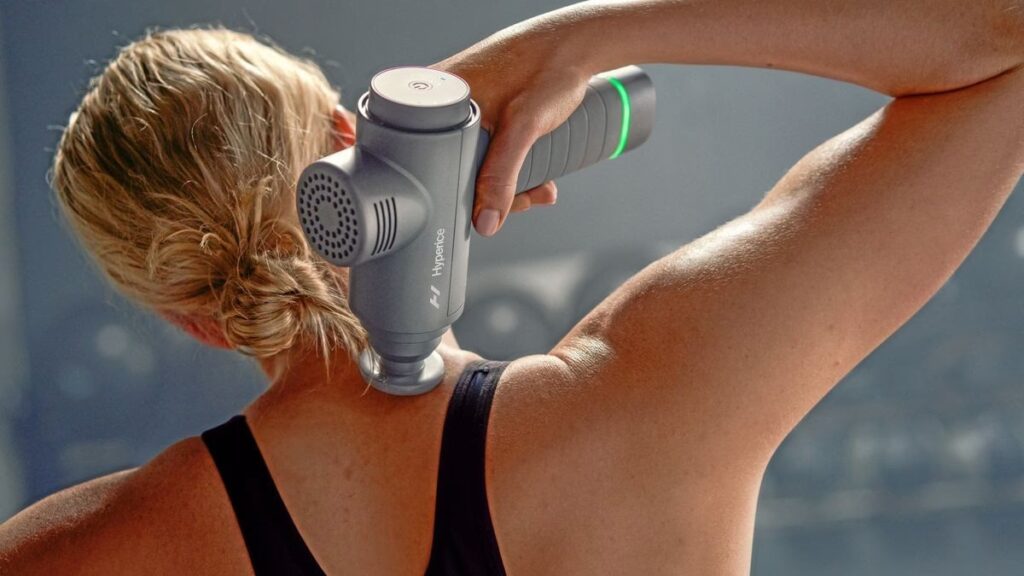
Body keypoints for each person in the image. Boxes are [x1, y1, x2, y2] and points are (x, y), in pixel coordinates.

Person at [2, 0, 1022, 573]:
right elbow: (1001, 42)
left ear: (184, 318)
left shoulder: (74, 552)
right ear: (356, 137)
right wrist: (582, 37)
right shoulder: (653, 392)